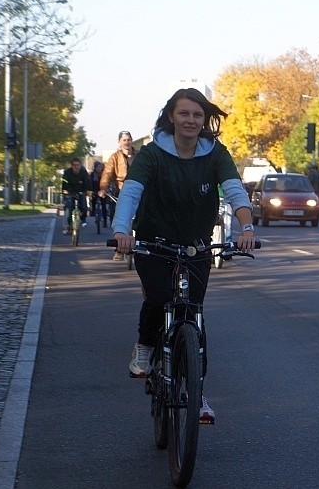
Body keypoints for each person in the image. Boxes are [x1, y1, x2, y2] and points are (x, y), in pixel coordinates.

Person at [111, 88, 258, 423]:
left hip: (196, 244)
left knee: (193, 314)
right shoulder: (152, 153)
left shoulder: (215, 153)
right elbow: (132, 192)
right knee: (160, 297)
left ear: (204, 120)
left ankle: (196, 391)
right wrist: (123, 231)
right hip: (154, 241)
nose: (191, 120)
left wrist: (247, 229)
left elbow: (234, 189)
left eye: (197, 115)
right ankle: (146, 346)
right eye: (184, 114)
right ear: (171, 117)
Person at [100, 130, 138, 260]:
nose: (127, 142)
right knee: (119, 217)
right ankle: (119, 248)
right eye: (124, 140)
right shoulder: (115, 157)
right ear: (119, 142)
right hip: (120, 189)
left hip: (139, 191)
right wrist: (103, 188)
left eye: (128, 139)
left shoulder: (139, 155)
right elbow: (107, 173)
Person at [61, 157, 90, 235]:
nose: (76, 167)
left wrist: (88, 190)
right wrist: (65, 190)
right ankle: (69, 226)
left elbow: (88, 182)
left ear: (80, 165)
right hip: (70, 192)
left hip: (81, 192)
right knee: (69, 208)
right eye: (74, 165)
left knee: (84, 206)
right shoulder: (67, 172)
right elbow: (64, 182)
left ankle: (83, 219)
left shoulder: (84, 173)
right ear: (71, 165)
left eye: (78, 165)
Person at [89, 161, 108, 228]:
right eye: (97, 167)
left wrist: (106, 189)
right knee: (93, 200)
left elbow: (107, 182)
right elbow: (90, 183)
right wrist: (91, 190)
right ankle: (93, 211)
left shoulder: (104, 174)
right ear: (95, 168)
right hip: (95, 190)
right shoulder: (92, 174)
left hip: (103, 191)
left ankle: (105, 221)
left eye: (100, 167)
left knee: (103, 206)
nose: (99, 168)